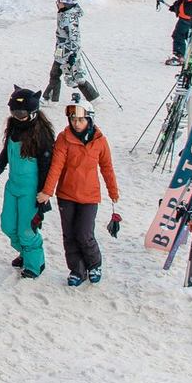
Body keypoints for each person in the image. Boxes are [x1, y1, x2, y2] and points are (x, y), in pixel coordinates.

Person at [40, 102, 121, 287]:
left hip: (89, 196)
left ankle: (94, 264)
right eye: (73, 119)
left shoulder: (100, 141)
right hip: (66, 195)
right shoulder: (63, 138)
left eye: (81, 120)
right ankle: (77, 270)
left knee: (84, 233)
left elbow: (107, 167)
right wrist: (47, 191)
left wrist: (113, 191)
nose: (76, 123)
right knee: (69, 235)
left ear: (89, 120)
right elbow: (56, 166)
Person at [0, 86, 55, 279]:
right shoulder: (13, 127)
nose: (17, 116)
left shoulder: (41, 134)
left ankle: (35, 263)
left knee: (27, 229)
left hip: (32, 190)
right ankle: (25, 252)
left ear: (32, 113)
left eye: (22, 113)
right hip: (13, 186)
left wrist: (44, 193)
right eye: (14, 111)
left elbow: (46, 166)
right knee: (8, 225)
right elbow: (5, 153)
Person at [45, 0, 97, 103]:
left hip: (66, 52)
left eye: (59, 2)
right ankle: (93, 97)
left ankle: (50, 99)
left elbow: (74, 37)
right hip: (61, 50)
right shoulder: (64, 14)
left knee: (58, 74)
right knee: (74, 75)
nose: (57, 4)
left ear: (65, 4)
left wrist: (72, 54)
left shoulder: (68, 18)